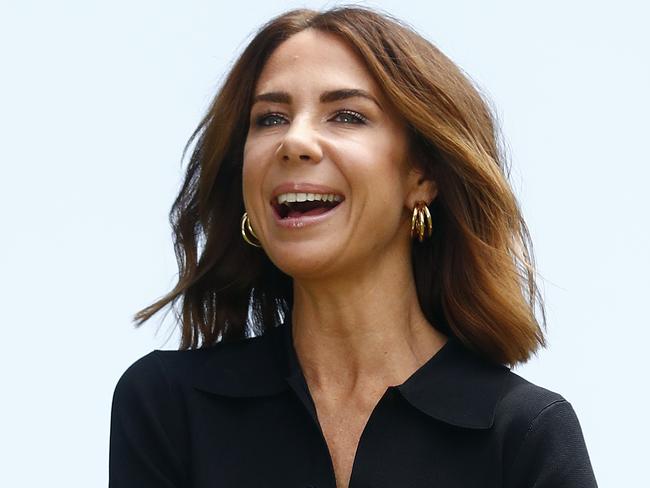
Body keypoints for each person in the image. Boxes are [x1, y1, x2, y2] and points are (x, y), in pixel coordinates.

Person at [109, 6, 598, 488]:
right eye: (270, 118)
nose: (294, 141)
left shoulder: (523, 433)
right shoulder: (168, 407)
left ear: (422, 175)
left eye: (346, 115)